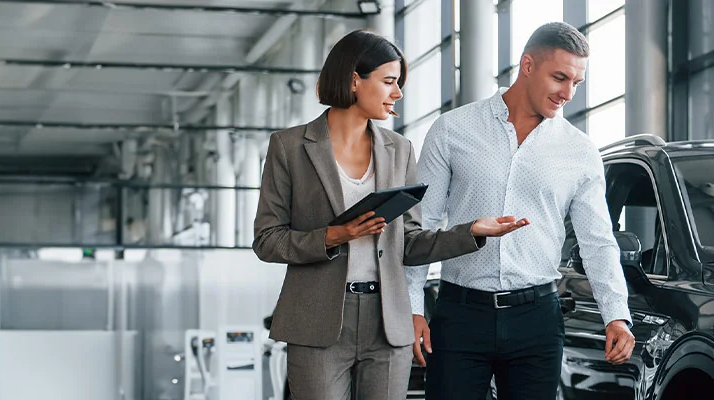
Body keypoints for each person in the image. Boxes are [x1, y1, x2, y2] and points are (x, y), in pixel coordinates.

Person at [252, 29, 528, 400]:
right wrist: (334, 236)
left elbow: (409, 243)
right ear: (354, 80)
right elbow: (267, 240)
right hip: (317, 322)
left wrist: (472, 231)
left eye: (398, 83)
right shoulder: (289, 147)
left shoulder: (399, 150)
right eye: (388, 82)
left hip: (387, 324)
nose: (397, 93)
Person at [407, 22, 634, 399]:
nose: (567, 93)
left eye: (577, 82)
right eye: (559, 77)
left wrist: (617, 314)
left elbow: (598, 242)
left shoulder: (580, 151)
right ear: (527, 65)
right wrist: (414, 309)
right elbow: (420, 228)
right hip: (460, 315)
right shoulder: (452, 129)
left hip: (537, 319)